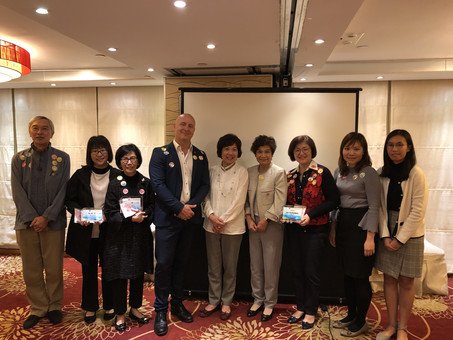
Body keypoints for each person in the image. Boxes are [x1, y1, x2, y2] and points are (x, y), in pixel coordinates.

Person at [149, 113, 210, 336]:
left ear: (194, 129)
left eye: (190, 125)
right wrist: (178, 207)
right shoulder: (160, 153)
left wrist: (190, 206)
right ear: (175, 127)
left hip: (190, 219)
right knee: (164, 265)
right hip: (167, 219)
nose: (186, 128)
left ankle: (177, 304)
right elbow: (157, 184)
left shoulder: (200, 156)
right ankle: (160, 311)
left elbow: (205, 185)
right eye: (182, 124)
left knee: (182, 264)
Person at [11, 116, 70, 329]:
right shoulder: (19, 159)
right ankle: (38, 308)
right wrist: (32, 218)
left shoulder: (62, 158)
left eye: (45, 129)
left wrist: (46, 217)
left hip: (53, 222)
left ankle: (54, 306)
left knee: (54, 267)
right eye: (35, 128)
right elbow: (16, 191)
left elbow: (64, 190)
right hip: (25, 223)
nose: (40, 132)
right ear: (29, 131)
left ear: (51, 133)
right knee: (31, 268)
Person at [375, 130, 428, 340]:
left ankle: (403, 327)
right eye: (390, 145)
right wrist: (387, 236)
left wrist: (400, 238)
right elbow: (379, 207)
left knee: (406, 282)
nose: (394, 149)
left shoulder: (416, 173)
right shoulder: (381, 172)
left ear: (409, 147)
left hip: (411, 235)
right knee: (389, 279)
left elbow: (417, 210)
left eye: (399, 145)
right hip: (387, 230)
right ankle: (390, 325)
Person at [285, 135, 339, 329]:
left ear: (312, 151)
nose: (301, 153)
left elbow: (334, 201)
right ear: (293, 153)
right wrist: (286, 214)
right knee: (297, 270)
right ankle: (300, 306)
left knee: (311, 272)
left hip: (316, 230)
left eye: (305, 149)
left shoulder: (323, 173)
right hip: (294, 230)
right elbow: (288, 203)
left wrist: (311, 215)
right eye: (297, 150)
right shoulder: (290, 175)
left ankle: (310, 310)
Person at [65, 135, 121, 324]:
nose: (99, 154)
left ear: (109, 152)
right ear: (90, 153)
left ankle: (109, 305)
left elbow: (123, 202)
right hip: (86, 231)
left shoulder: (116, 175)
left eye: (103, 149)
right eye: (95, 150)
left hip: (109, 230)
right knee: (88, 269)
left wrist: (110, 212)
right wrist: (79, 214)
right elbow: (69, 200)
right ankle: (90, 306)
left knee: (109, 269)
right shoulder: (80, 175)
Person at [329, 132, 380, 337]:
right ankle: (351, 315)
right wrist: (333, 227)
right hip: (343, 225)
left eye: (356, 148)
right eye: (347, 148)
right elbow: (335, 202)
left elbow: (375, 207)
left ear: (363, 151)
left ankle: (361, 321)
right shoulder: (338, 171)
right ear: (342, 150)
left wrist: (370, 238)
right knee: (347, 276)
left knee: (360, 277)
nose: (351, 153)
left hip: (361, 227)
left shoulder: (369, 172)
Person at [102, 144, 154, 332]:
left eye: (132, 158)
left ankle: (135, 308)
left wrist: (144, 215)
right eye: (125, 159)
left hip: (140, 235)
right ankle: (120, 313)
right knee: (120, 276)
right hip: (119, 237)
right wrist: (130, 218)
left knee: (138, 274)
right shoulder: (115, 182)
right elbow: (110, 210)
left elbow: (151, 207)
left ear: (138, 160)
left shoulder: (145, 183)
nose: (129, 162)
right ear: (119, 162)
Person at [199, 134, 248, 320]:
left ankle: (226, 302)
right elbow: (206, 196)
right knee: (213, 266)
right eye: (227, 148)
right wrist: (212, 216)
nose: (230, 152)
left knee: (230, 267)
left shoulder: (242, 172)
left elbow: (239, 201)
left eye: (234, 149)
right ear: (220, 151)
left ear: (238, 152)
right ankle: (213, 300)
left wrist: (223, 220)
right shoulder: (211, 170)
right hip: (210, 226)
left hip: (233, 227)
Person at [245, 135, 287, 322]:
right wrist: (248, 217)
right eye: (260, 151)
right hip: (253, 224)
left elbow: (280, 201)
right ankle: (257, 299)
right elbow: (245, 200)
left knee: (270, 266)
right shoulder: (250, 171)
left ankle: (269, 303)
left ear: (272, 153)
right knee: (255, 265)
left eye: (267, 151)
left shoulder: (278, 172)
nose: (263, 155)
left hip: (271, 225)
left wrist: (266, 220)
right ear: (255, 154)